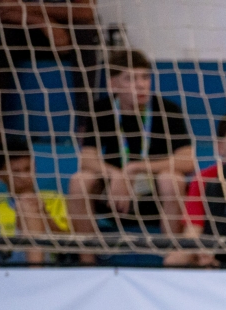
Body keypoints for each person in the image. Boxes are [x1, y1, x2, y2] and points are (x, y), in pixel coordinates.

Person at [66, 49, 194, 242]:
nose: (141, 85)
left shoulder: (167, 109)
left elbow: (187, 160)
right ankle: (86, 257)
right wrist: (116, 174)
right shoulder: (101, 109)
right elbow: (87, 159)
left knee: (172, 180)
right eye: (130, 79)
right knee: (79, 181)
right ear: (113, 84)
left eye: (145, 77)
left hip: (154, 193)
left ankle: (173, 254)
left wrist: (135, 168)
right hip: (114, 193)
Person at [0, 0, 102, 143]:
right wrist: (43, 22)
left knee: (84, 32)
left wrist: (26, 8)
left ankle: (85, 126)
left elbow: (85, 12)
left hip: (68, 34)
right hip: (27, 26)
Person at [0, 135, 71, 265]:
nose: (24, 177)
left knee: (27, 206)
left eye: (28, 169)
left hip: (36, 256)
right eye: (16, 172)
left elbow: (68, 241)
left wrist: (44, 215)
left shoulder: (54, 199)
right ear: (0, 175)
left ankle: (34, 275)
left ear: (34, 167)